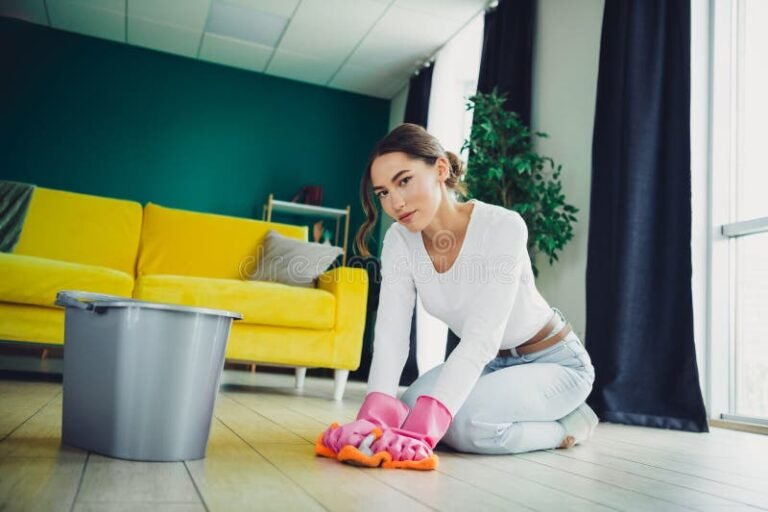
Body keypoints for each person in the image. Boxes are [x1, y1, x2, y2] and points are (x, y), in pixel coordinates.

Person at [315, 123, 597, 470]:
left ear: (440, 170)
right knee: (409, 408)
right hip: (493, 365)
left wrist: (429, 427)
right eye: (383, 193)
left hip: (553, 361)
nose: (395, 203)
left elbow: (482, 337)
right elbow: (391, 334)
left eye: (404, 181)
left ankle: (570, 425)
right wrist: (375, 416)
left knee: (467, 428)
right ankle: (517, 408)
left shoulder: (503, 227)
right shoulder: (400, 242)